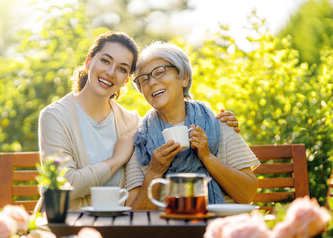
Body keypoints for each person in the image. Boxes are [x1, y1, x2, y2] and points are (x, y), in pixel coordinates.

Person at [37, 31, 240, 211]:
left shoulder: (133, 121)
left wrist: (218, 120)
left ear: (126, 80)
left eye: (122, 69)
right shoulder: (55, 116)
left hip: (122, 228)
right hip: (68, 225)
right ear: (89, 61)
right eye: (105, 61)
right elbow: (62, 187)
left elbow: (170, 119)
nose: (110, 73)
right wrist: (116, 159)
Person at [128, 42, 259, 210]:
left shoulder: (218, 125)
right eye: (143, 80)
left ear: (185, 78)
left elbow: (248, 195)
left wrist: (207, 157)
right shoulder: (141, 141)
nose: (152, 82)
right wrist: (154, 172)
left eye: (160, 72)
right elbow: (134, 213)